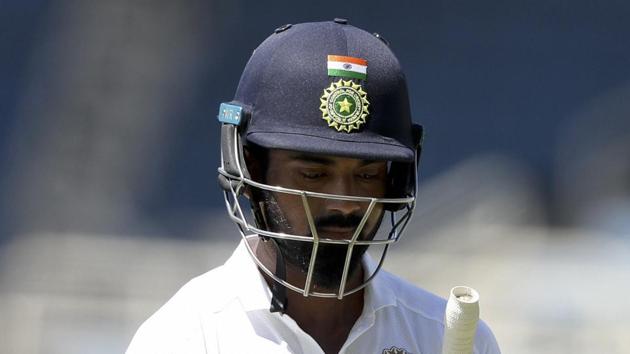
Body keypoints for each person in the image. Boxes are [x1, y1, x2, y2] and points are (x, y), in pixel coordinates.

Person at [127, 19, 500, 354]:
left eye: (367, 175)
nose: (344, 202)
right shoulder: (184, 338)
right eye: (313, 174)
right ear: (250, 166)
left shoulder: (442, 336)